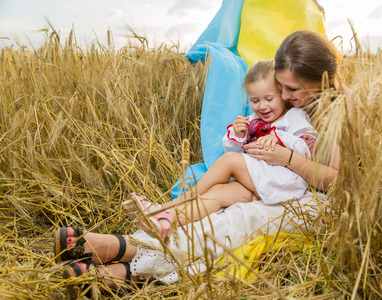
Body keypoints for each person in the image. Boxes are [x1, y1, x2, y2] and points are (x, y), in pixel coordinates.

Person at [54, 30, 352, 298]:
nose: (285, 97)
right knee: (221, 198)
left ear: (320, 79)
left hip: (317, 203)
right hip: (279, 181)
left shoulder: (344, 107)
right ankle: (135, 258)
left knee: (239, 219)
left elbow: (334, 183)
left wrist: (287, 157)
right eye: (282, 88)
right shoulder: (294, 105)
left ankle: (125, 253)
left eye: (292, 90)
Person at [122, 59, 317, 238]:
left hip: (283, 181)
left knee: (230, 160)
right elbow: (234, 148)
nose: (262, 106)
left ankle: (170, 203)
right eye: (255, 101)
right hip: (258, 186)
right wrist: (238, 135)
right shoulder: (253, 121)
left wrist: (279, 138)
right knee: (216, 193)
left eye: (269, 98)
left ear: (283, 96)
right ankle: (166, 220)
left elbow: (308, 147)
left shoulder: (294, 117)